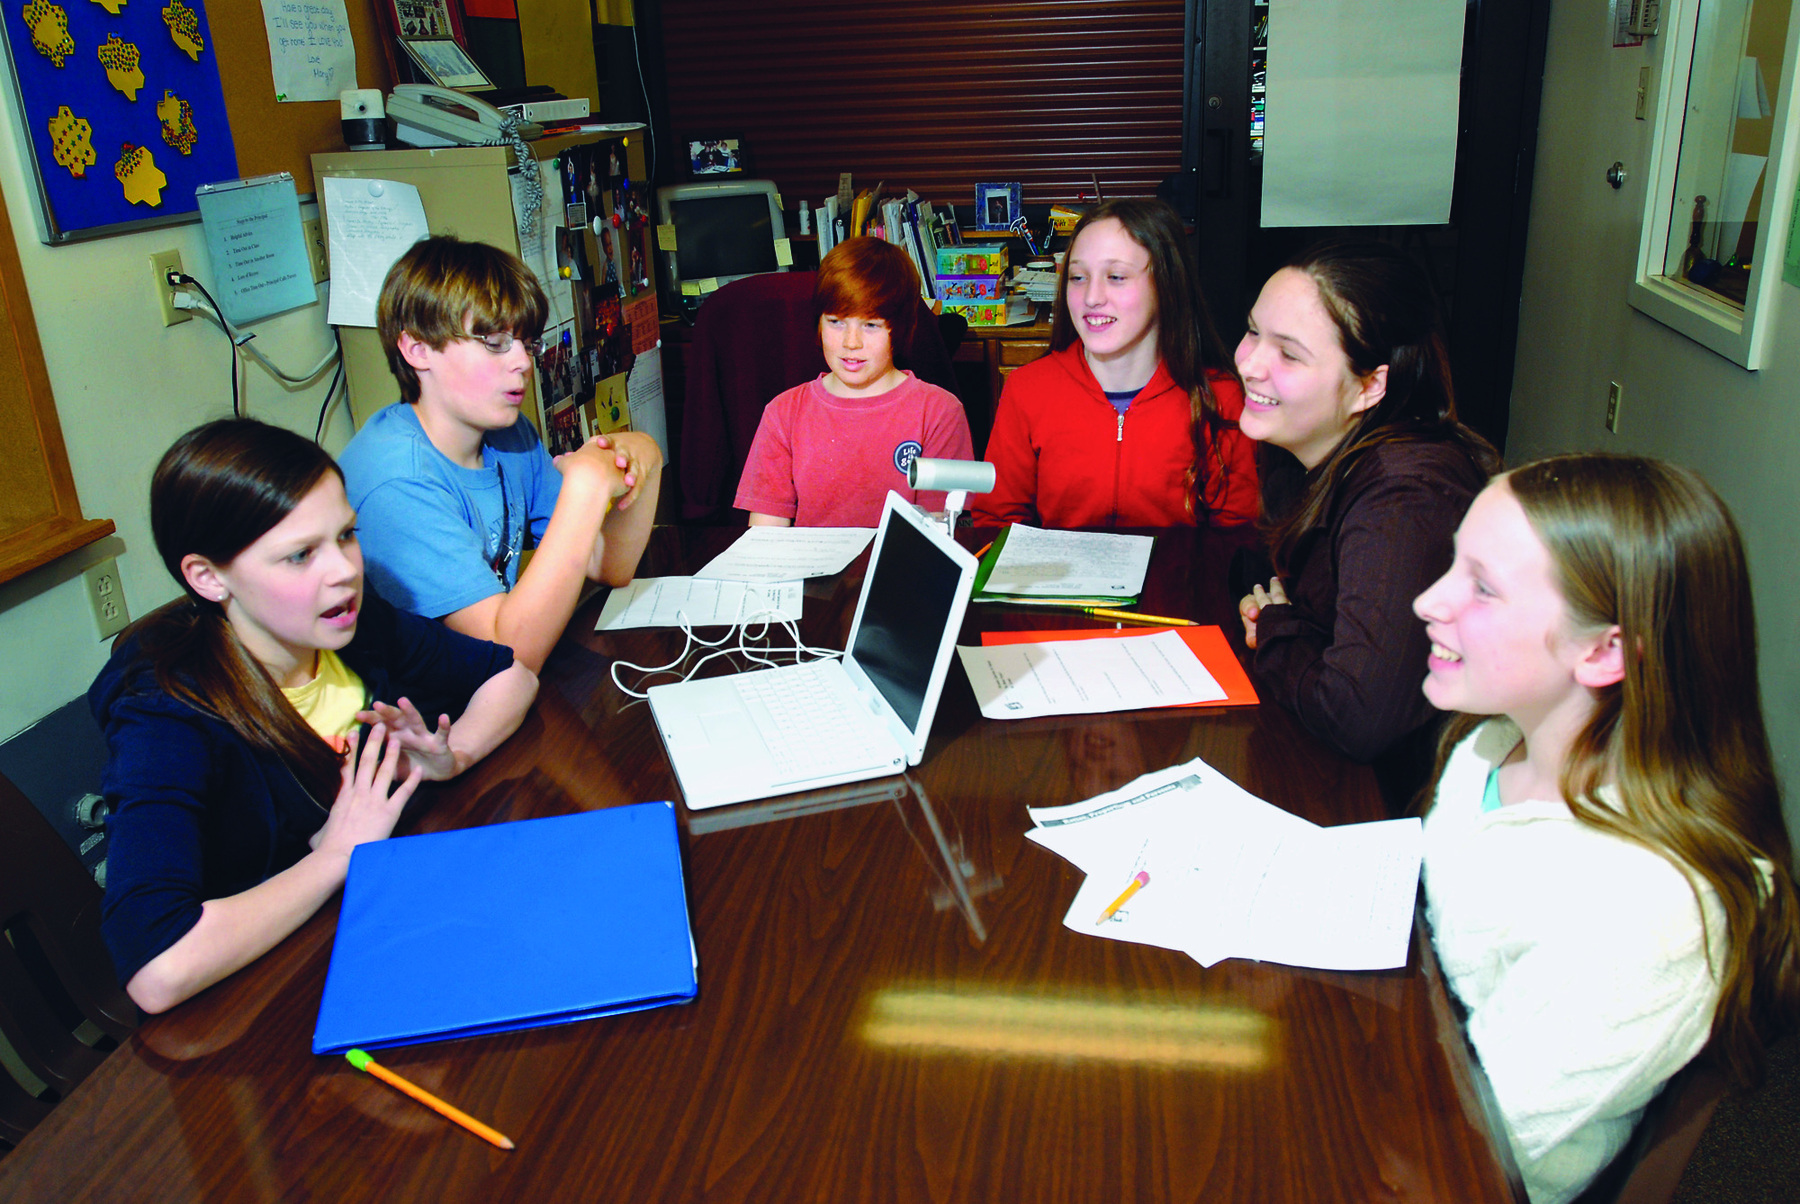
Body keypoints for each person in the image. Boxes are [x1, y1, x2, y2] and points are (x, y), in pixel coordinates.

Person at [1412, 454, 1800, 1204]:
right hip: (1405, 1054)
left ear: (1604, 651)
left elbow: (1454, 1135)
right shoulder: (1487, 743)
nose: (1429, 599)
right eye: (1451, 566)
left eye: (1483, 588)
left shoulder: (1651, 911)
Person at [94, 420, 538, 1014]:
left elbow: (511, 675)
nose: (344, 571)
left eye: (346, 535)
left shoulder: (354, 627)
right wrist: (334, 858)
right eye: (301, 554)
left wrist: (452, 759)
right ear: (207, 577)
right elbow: (156, 967)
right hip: (278, 1008)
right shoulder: (167, 716)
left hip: (400, 935)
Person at [1234, 241, 1498, 805]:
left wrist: (1279, 629)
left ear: (1370, 385)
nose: (1249, 362)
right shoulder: (1300, 447)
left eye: (1290, 354)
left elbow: (1357, 716)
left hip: (1413, 807)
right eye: (1253, 332)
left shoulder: (1405, 498)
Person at [339, 235, 662, 673]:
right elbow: (509, 655)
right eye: (494, 341)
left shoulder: (509, 437)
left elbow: (610, 563)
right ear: (417, 349)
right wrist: (584, 488)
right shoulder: (398, 482)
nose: (524, 363)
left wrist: (646, 455)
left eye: (526, 344)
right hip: (415, 713)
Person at [972, 197, 1257, 530]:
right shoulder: (1027, 390)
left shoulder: (1220, 397)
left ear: (1167, 284)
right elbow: (996, 521)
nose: (1092, 297)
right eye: (1078, 277)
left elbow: (1238, 536)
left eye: (1117, 277)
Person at [734, 236, 974, 527]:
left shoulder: (942, 412)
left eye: (871, 325)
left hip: (900, 570)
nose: (851, 342)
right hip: (810, 569)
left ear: (899, 329)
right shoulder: (782, 412)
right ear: (818, 324)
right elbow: (765, 537)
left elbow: (940, 531)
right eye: (836, 322)